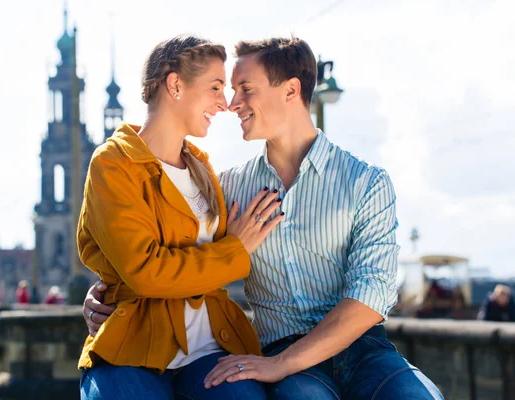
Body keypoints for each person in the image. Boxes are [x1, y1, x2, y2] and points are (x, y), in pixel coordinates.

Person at [84, 36, 444, 399]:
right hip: (274, 354)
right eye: (225, 88)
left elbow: (371, 295)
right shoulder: (225, 187)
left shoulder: (366, 183)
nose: (231, 104)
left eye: (245, 89)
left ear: (290, 91)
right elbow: (167, 249)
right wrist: (110, 291)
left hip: (363, 351)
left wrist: (283, 363)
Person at [77, 35, 284, 400]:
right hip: (134, 349)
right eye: (215, 88)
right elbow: (146, 273)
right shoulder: (112, 164)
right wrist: (234, 252)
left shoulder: (202, 167)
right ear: (175, 85)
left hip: (209, 349)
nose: (224, 103)